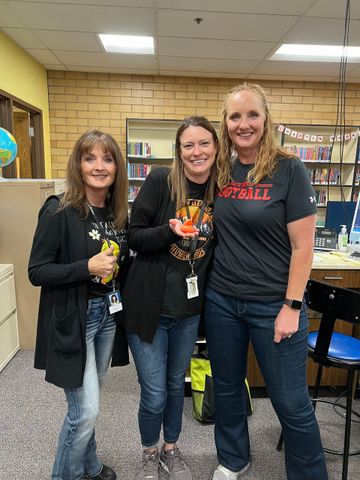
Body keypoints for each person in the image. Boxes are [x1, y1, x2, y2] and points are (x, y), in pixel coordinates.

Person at [204, 83, 329, 480]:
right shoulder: (219, 169)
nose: (243, 124)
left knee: (291, 402)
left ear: (265, 118)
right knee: (225, 387)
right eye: (235, 116)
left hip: (275, 304)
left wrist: (292, 307)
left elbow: (303, 246)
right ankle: (233, 459)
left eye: (251, 115)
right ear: (225, 123)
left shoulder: (289, 168)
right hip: (222, 299)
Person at [28, 130, 130, 480]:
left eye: (107, 158)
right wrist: (86, 267)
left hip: (107, 318)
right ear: (78, 164)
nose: (99, 166)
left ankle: (90, 465)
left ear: (117, 166)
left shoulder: (117, 215)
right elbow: (37, 271)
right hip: (76, 319)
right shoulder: (58, 210)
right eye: (90, 158)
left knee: (92, 400)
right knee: (83, 411)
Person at [121, 116, 218, 480]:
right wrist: (168, 231)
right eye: (188, 145)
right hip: (150, 308)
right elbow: (134, 236)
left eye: (204, 143)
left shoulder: (218, 189)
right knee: (155, 391)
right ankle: (149, 452)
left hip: (189, 310)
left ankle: (171, 450)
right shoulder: (161, 181)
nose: (197, 152)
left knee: (176, 386)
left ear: (215, 147)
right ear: (179, 151)